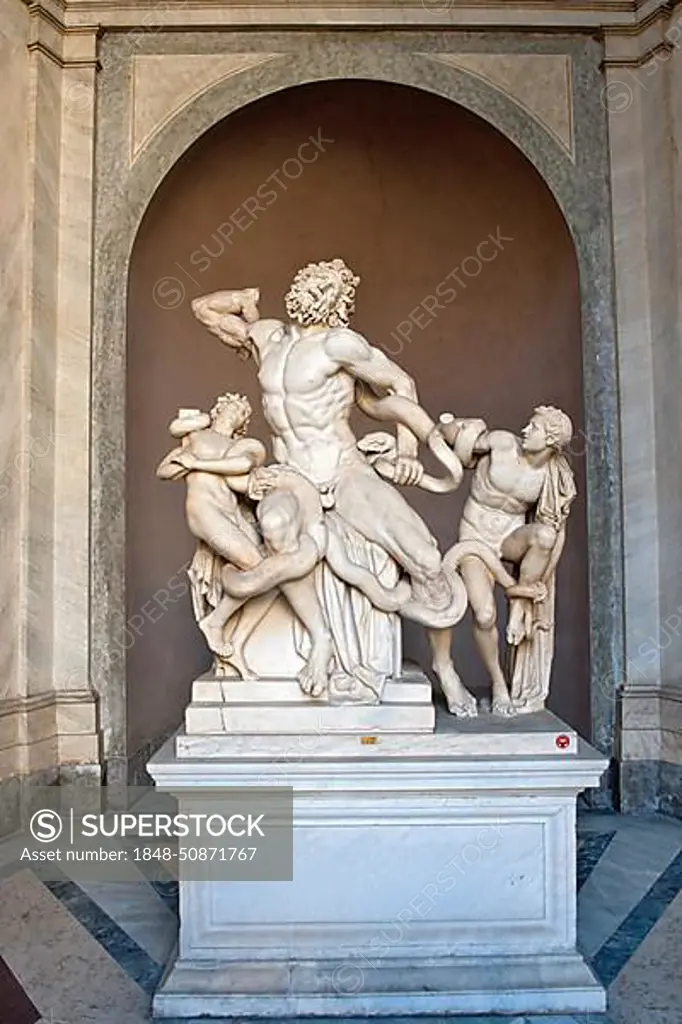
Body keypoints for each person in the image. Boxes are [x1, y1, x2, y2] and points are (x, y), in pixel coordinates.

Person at [430, 406, 576, 715]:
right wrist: (455, 427)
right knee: (484, 615)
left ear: (550, 441)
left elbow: (556, 532)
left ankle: (520, 603)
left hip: (510, 540)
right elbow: (457, 443)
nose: (525, 430)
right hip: (474, 540)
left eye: (534, 428)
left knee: (545, 537)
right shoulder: (501, 443)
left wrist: (539, 582)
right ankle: (498, 681)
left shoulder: (551, 476)